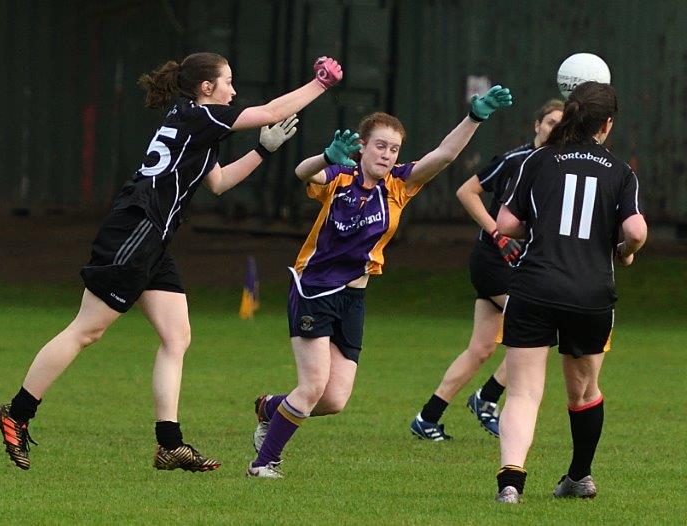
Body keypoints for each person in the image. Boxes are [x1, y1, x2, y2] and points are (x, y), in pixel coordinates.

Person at [0, 52, 341, 472]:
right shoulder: (200, 116)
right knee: (86, 330)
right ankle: (18, 411)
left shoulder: (192, 120)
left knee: (176, 338)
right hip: (135, 229)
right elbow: (269, 111)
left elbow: (219, 183)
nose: (233, 90)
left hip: (152, 239)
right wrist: (319, 84)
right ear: (206, 88)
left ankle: (169, 444)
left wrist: (263, 151)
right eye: (227, 81)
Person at [249, 85, 514, 478]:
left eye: (393, 149)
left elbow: (444, 156)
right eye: (380, 146)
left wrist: (474, 117)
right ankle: (264, 462)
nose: (387, 155)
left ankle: (272, 408)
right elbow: (303, 172)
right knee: (312, 386)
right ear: (362, 148)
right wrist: (325, 156)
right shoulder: (339, 175)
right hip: (315, 291)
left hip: (353, 300)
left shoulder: (399, 186)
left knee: (334, 399)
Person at [493, 81, 645, 503]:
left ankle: (511, 482)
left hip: (534, 287)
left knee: (523, 392)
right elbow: (635, 230)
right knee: (583, 391)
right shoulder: (621, 171)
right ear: (607, 124)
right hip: (590, 295)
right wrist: (625, 252)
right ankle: (579, 476)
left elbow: (506, 225)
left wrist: (536, 227)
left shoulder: (538, 160)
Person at [410, 100, 564, 440]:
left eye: (562, 124)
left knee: (481, 348)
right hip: (494, 261)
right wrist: (497, 233)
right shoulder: (515, 160)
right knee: (539, 330)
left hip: (519, 265)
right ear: (537, 125)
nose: (555, 128)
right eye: (551, 121)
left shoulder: (556, 166)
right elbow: (466, 191)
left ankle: (427, 418)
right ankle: (488, 398)